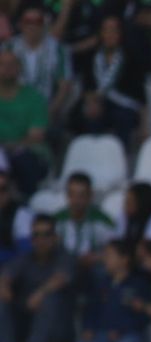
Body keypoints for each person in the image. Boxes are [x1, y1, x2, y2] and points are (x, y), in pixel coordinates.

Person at [64, 236, 148, 342]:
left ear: (124, 259)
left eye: (109, 255)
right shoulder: (101, 282)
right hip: (100, 334)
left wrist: (122, 330)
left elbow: (143, 317)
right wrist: (88, 327)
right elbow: (90, 308)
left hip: (128, 336)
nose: (105, 259)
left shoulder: (139, 284)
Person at [0, 212, 73, 342]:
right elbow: (6, 275)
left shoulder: (64, 257)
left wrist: (41, 293)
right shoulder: (25, 258)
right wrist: (4, 286)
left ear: (54, 237)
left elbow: (60, 279)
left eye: (46, 234)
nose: (41, 240)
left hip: (56, 329)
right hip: (26, 325)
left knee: (49, 300)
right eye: (36, 235)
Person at [72, 14, 143, 148]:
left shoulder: (131, 58)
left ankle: (120, 156)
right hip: (99, 102)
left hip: (124, 106)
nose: (109, 34)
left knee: (123, 117)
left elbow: (140, 96)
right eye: (106, 30)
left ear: (120, 33)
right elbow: (86, 87)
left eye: (113, 30)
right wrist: (91, 101)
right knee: (90, 116)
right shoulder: (92, 57)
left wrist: (144, 127)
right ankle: (91, 154)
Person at [6, 4, 72, 124]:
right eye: (28, 21)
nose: (32, 25)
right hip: (11, 109)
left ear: (44, 24)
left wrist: (49, 111)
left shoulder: (58, 49)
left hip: (46, 108)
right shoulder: (8, 47)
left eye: (38, 21)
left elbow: (64, 86)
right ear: (20, 24)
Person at [0, 46, 48, 193]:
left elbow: (36, 136)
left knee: (23, 160)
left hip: (27, 153)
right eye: (3, 64)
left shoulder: (34, 97)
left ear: (19, 68)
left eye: (12, 64)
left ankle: (26, 206)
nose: (8, 68)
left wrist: (9, 147)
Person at [54, 172, 115, 268]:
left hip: (92, 268)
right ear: (67, 195)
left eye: (81, 195)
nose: (76, 200)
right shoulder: (57, 220)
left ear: (90, 196)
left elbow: (116, 251)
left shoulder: (102, 220)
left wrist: (97, 257)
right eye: (72, 195)